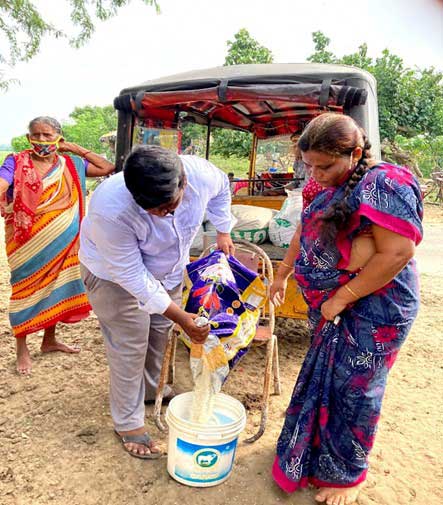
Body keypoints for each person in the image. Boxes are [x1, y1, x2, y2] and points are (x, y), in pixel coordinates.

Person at [270, 113, 423, 505]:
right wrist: (283, 274)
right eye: (309, 165)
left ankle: (347, 475)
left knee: (357, 390)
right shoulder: (324, 184)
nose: (316, 175)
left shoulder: (386, 183)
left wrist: (340, 297)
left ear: (356, 152)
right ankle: (318, 458)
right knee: (329, 381)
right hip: (334, 306)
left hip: (377, 307)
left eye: (325, 166)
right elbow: (304, 232)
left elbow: (396, 253)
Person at [78, 144, 235, 459]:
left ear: (184, 184)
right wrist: (184, 317)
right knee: (130, 343)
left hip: (168, 271)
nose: (161, 214)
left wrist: (222, 230)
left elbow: (222, 191)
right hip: (113, 276)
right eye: (150, 208)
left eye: (168, 205)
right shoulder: (110, 207)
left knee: (158, 335)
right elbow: (132, 276)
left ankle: (152, 391)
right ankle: (128, 423)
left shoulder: (201, 174)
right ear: (131, 190)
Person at [0, 116, 115, 375]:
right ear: (29, 137)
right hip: (26, 242)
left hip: (64, 242)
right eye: (36, 135)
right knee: (24, 290)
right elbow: (3, 182)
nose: (41, 140)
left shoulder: (71, 163)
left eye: (48, 135)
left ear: (58, 137)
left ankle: (49, 340)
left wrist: (74, 148)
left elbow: (107, 167)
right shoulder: (16, 162)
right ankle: (21, 348)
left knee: (56, 287)